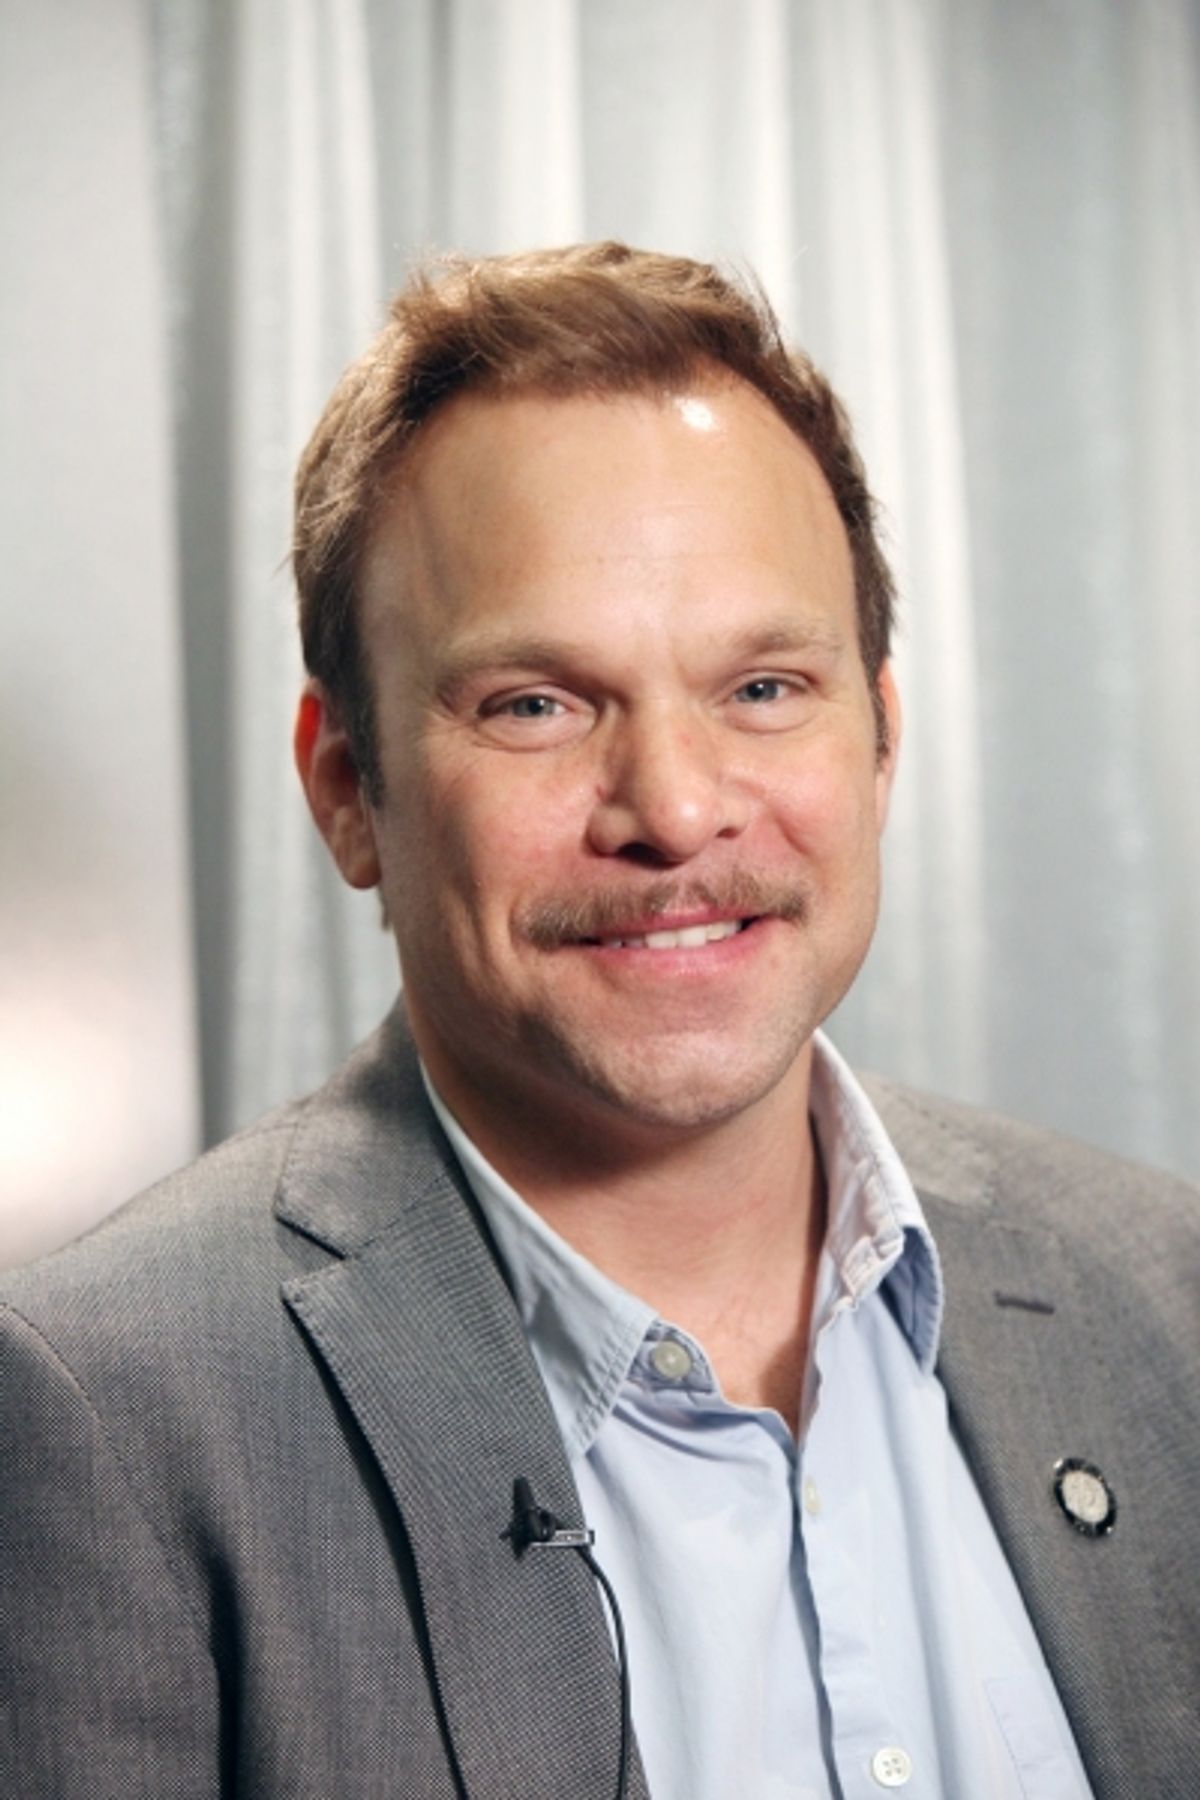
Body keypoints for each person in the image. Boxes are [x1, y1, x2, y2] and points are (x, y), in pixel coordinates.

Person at [1, 243, 1196, 1800]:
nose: (679, 809)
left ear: (881, 740)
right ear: (347, 789)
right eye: (536, 704)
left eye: (764, 687)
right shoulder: (102, 1423)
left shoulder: (1164, 1297)